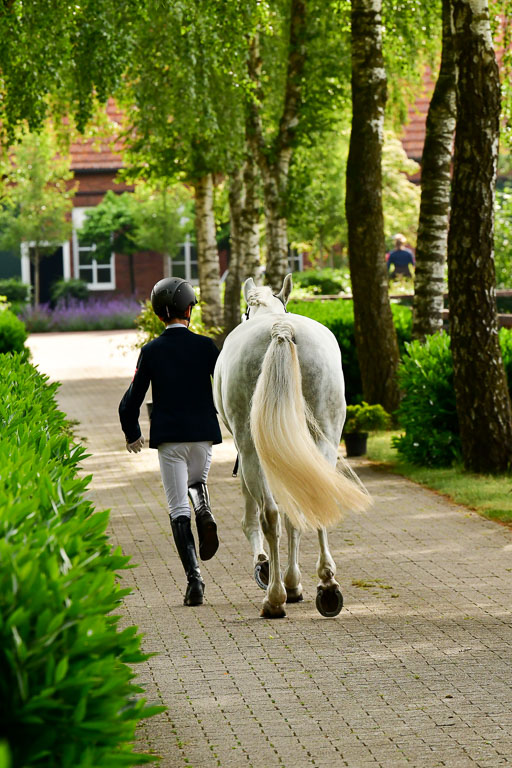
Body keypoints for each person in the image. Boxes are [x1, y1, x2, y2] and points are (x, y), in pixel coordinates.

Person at [119, 277, 222, 607]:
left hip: (170, 439)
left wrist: (132, 431)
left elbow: (132, 398)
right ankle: (204, 510)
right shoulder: (207, 347)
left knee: (178, 509)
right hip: (203, 434)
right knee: (197, 481)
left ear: (158, 313)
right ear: (189, 310)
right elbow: (226, 389)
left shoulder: (151, 351)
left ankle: (195, 582)